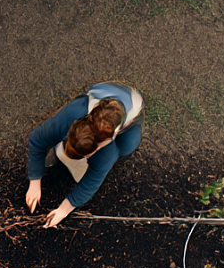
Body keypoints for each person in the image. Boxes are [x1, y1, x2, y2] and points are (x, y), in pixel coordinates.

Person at [25, 82, 144, 228]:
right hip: (106, 94)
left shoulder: (108, 148)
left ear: (104, 142)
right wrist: (35, 180)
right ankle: (62, 151)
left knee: (127, 146)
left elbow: (93, 179)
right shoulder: (73, 114)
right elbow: (37, 140)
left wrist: (65, 209)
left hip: (132, 112)